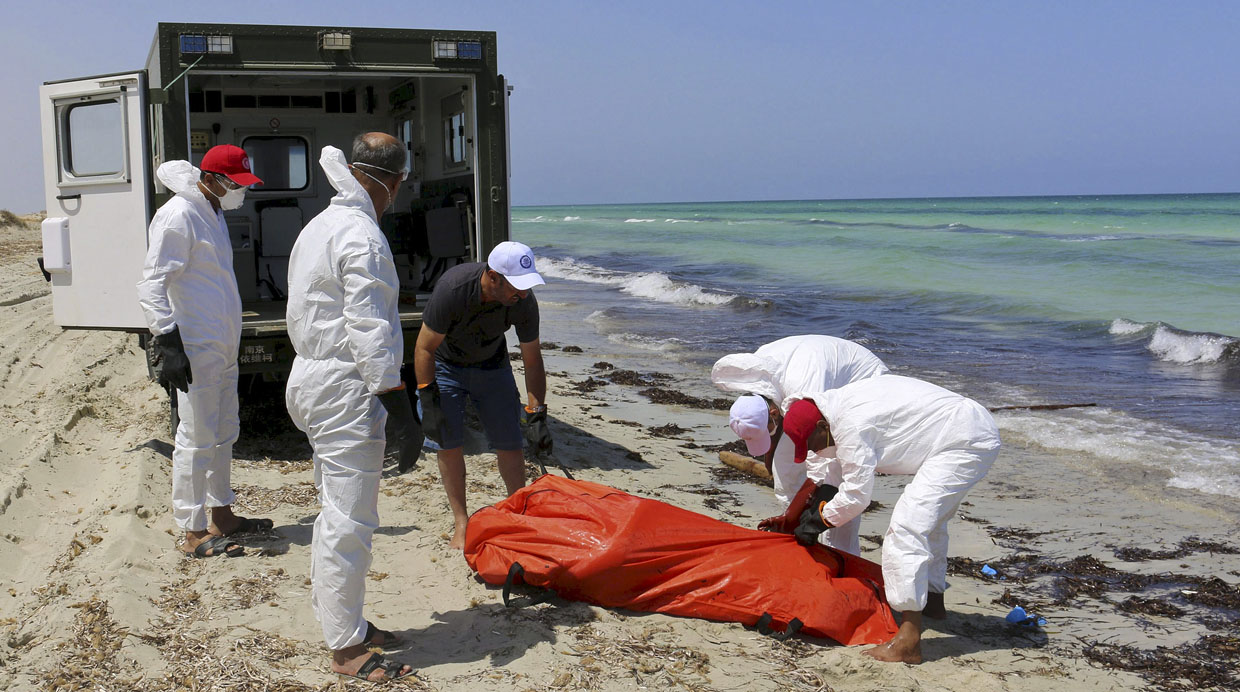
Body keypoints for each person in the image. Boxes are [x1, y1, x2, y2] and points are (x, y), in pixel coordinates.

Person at [284, 134, 419, 682]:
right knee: (349, 519)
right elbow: (368, 327)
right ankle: (345, 649)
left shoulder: (319, 225)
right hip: (346, 386)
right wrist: (399, 402)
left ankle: (348, 623)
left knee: (334, 510)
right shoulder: (363, 235)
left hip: (312, 375)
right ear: (392, 181)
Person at [779, 374, 1001, 664]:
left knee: (907, 527)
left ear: (823, 427)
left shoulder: (851, 424)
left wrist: (819, 521)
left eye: (812, 445)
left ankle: (908, 642)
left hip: (964, 440)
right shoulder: (835, 411)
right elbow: (835, 475)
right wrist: (795, 517)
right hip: (963, 429)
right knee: (930, 525)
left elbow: (857, 497)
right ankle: (934, 604)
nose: (812, 452)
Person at [136, 144, 273, 560]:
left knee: (222, 432)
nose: (241, 192)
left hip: (221, 345)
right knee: (195, 440)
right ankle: (193, 530)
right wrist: (167, 341)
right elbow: (152, 283)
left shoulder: (212, 211)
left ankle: (222, 514)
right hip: (194, 346)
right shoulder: (178, 214)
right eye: (236, 184)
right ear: (211, 179)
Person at [414, 240, 550, 550]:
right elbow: (424, 347)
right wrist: (428, 398)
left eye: (527, 286)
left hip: (493, 366)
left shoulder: (524, 302)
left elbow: (532, 358)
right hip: (447, 366)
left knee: (510, 442)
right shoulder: (453, 289)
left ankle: (517, 515)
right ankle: (462, 521)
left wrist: (537, 412)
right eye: (517, 286)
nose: (524, 294)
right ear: (493, 277)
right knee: (448, 442)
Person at [712, 334, 888, 555]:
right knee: (783, 466)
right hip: (817, 381)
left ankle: (841, 554)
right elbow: (776, 432)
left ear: (774, 414)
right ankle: (796, 537)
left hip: (862, 384)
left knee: (839, 480)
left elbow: (818, 470)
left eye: (767, 431)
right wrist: (790, 515)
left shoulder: (802, 383)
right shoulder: (759, 383)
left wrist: (800, 515)